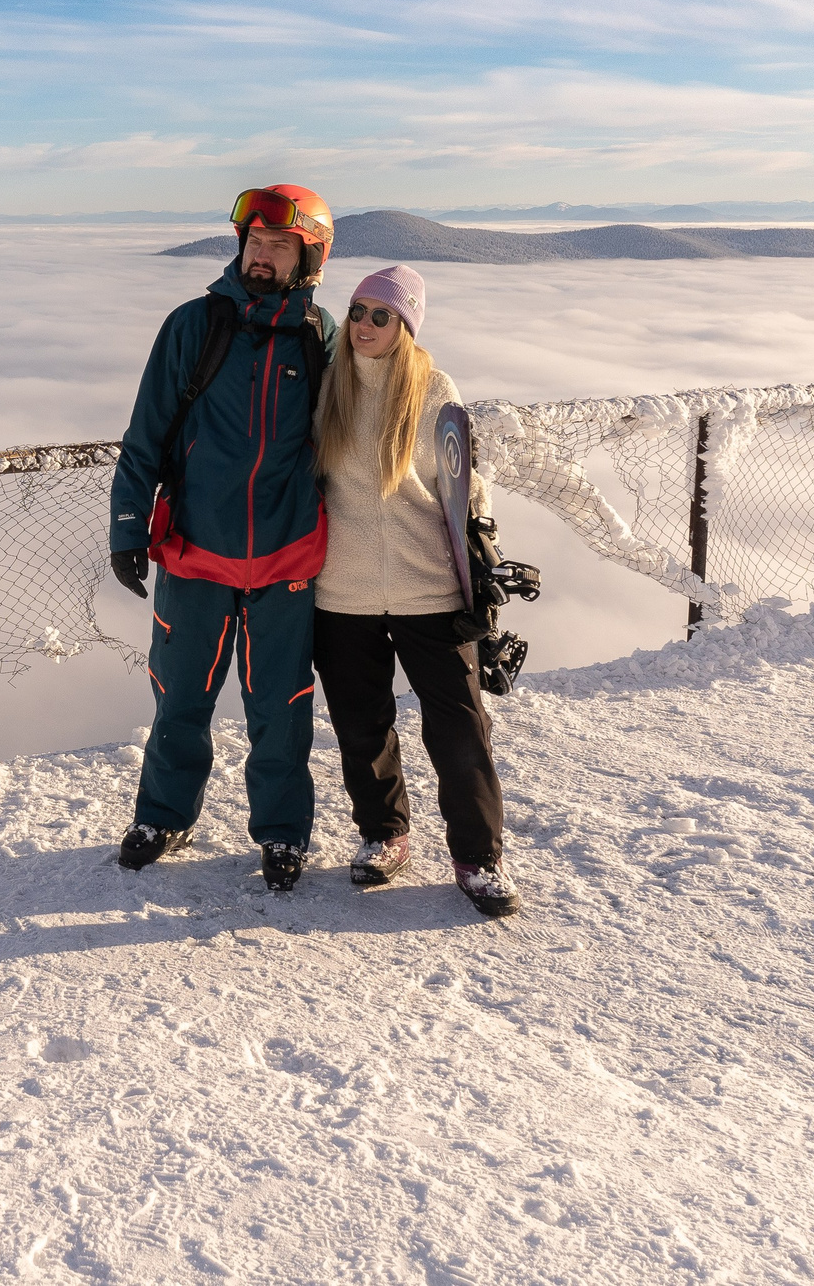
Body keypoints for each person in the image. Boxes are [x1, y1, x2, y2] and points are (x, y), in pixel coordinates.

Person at [109, 185, 337, 892]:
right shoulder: (194, 325)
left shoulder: (320, 336)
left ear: (309, 258)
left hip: (288, 553)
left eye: (278, 246)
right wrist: (126, 523)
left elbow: (350, 443)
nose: (261, 256)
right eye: (253, 243)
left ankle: (281, 833)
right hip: (196, 551)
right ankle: (164, 815)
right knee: (180, 696)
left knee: (281, 704)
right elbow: (147, 431)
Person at [310, 265, 518, 917]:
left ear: (407, 326)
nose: (365, 325)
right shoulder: (327, 387)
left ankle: (478, 858)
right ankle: (384, 835)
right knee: (360, 725)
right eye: (358, 311)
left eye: (382, 315)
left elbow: (463, 486)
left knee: (460, 728)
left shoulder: (432, 389)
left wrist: (484, 560)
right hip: (342, 591)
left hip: (429, 589)